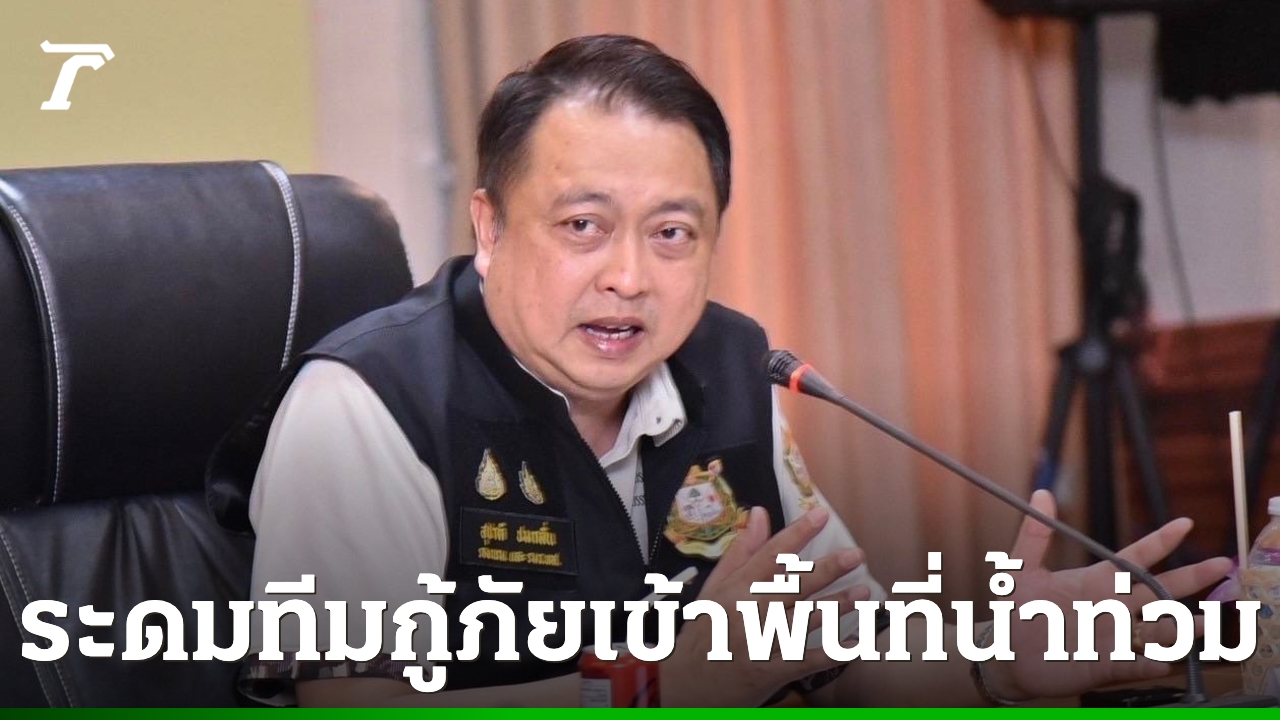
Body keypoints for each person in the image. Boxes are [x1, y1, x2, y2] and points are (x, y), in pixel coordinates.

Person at [210, 34, 1231, 707]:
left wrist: (994, 663)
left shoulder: (732, 373)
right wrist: (664, 689)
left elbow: (847, 654)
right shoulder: (366, 405)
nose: (628, 277)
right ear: (489, 227)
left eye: (672, 233)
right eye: (582, 225)